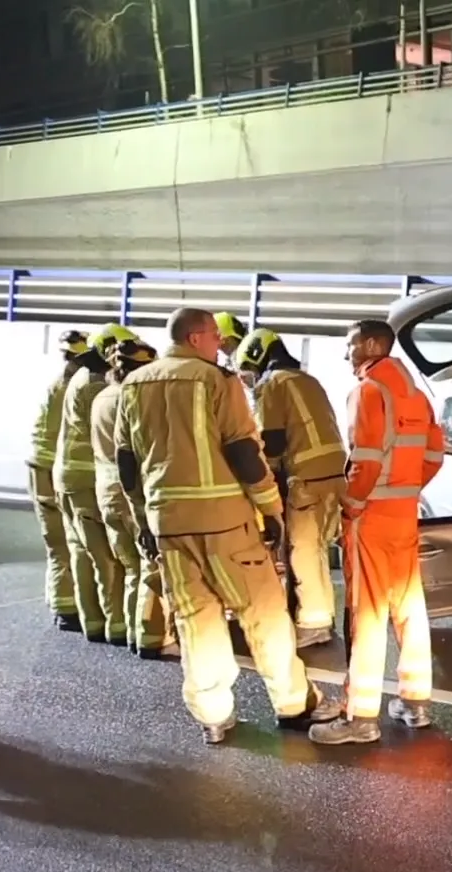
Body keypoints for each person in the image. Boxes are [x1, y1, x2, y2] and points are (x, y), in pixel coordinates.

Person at [114, 307, 341, 744]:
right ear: (197, 338)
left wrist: (143, 516)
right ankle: (295, 704)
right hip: (225, 522)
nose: (222, 346)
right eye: (216, 338)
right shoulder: (217, 381)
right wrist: (271, 508)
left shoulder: (133, 385)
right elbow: (243, 451)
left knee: (196, 622)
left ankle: (214, 715)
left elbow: (128, 463)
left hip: (169, 525)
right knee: (265, 613)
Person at [308, 319, 446, 745]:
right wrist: (405, 490)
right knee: (409, 606)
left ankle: (360, 716)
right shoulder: (417, 395)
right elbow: (435, 456)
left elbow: (364, 461)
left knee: (365, 613)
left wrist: (351, 506)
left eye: (350, 345)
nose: (346, 353)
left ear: (371, 345)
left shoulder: (368, 391)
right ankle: (415, 701)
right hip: (404, 511)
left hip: (372, 514)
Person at [236, 326, 349, 646]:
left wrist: (262, 483)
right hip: (337, 473)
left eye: (249, 370)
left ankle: (313, 622)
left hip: (306, 476)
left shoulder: (272, 384)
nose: (251, 377)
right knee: (318, 549)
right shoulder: (307, 379)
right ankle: (321, 617)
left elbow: (271, 440)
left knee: (302, 551)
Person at [91, 338, 178, 661]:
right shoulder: (135, 399)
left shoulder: (102, 396)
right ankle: (150, 638)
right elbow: (140, 453)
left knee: (129, 566)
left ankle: (128, 631)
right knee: (150, 567)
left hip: (106, 491)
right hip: (133, 494)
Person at [54, 324, 135, 645]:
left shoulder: (84, 376)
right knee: (104, 557)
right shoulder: (95, 385)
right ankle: (113, 626)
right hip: (85, 478)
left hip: (72, 477)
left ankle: (94, 622)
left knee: (83, 551)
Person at [30, 331, 88, 632]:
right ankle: (66, 608)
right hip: (49, 467)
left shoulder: (63, 383)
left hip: (45, 465)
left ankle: (66, 606)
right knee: (62, 541)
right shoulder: (71, 387)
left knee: (61, 541)